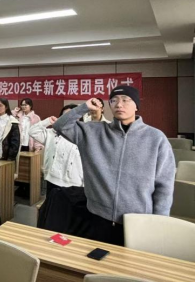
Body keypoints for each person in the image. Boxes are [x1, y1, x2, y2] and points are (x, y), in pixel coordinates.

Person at [53, 86, 176, 246]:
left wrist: (159, 223)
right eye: (114, 100)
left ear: (136, 106)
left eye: (125, 100)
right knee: (96, 259)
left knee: (131, 261)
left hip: (138, 221)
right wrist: (84, 107)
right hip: (97, 216)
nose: (119, 104)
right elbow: (60, 126)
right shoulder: (92, 132)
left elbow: (164, 186)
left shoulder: (156, 138)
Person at [29, 104, 90, 236]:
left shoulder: (84, 136)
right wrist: (47, 121)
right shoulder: (52, 133)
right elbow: (32, 131)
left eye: (72, 115)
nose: (68, 118)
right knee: (53, 218)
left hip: (74, 186)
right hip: (53, 181)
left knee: (70, 220)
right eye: (65, 116)